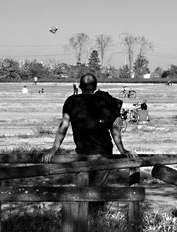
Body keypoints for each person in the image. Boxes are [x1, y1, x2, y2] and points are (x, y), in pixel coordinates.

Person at [43, 74, 136, 211]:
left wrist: (53, 150)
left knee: (83, 190)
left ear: (80, 87)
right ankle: (94, 221)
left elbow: (63, 127)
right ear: (96, 86)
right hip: (103, 153)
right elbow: (115, 127)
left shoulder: (71, 101)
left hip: (82, 152)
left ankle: (83, 221)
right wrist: (122, 150)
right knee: (97, 192)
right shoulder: (105, 100)